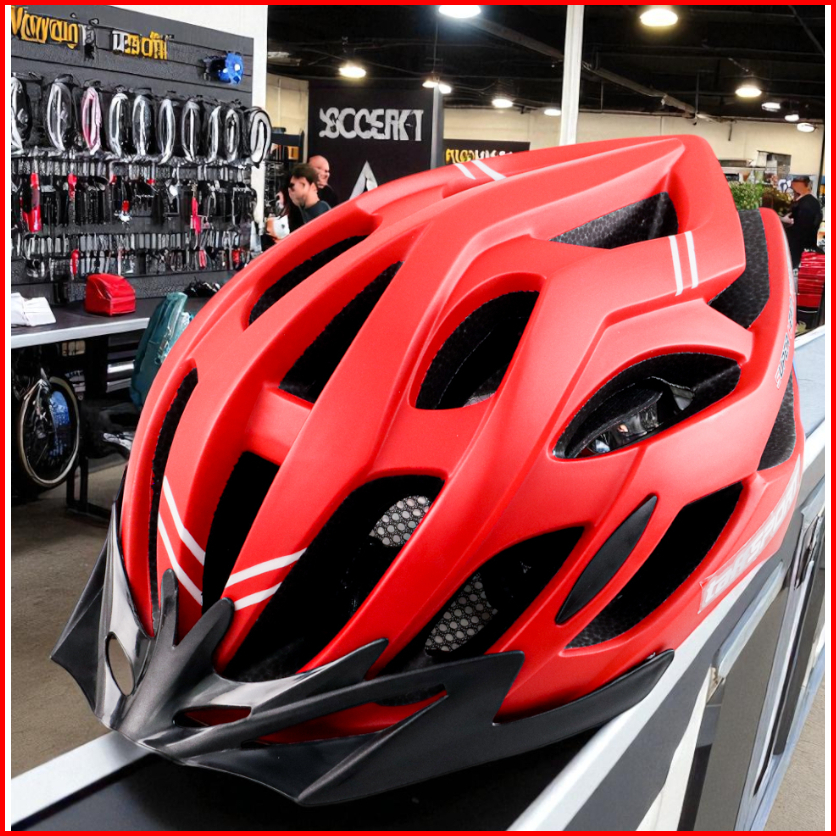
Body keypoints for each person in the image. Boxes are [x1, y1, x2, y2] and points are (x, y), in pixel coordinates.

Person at [782, 176, 823, 269]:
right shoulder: (813, 202)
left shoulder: (804, 204)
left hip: (797, 249)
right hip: (805, 248)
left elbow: (801, 229)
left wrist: (785, 223)